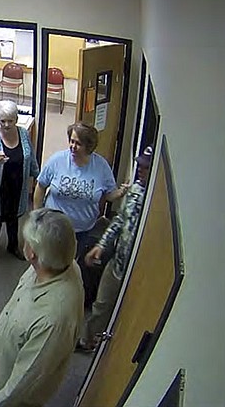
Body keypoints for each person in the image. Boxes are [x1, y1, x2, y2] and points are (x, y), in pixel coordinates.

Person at [0, 208, 84, 407]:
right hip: (7, 361)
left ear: (31, 253)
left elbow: (26, 378)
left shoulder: (53, 319)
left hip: (17, 398)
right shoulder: (59, 264)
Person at [32, 122, 127, 308]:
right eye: (71, 141)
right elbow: (41, 185)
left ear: (89, 146)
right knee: (48, 264)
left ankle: (64, 302)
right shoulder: (58, 160)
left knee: (72, 268)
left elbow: (108, 194)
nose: (72, 147)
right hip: (54, 227)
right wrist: (37, 214)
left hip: (82, 230)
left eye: (78, 143)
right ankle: (43, 299)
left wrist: (120, 193)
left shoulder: (101, 167)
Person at [78, 146, 153, 352]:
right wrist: (102, 245)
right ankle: (87, 341)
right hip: (118, 263)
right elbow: (119, 220)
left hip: (140, 273)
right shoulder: (136, 190)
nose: (140, 170)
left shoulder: (156, 201)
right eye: (139, 165)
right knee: (101, 305)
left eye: (145, 167)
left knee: (130, 315)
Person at [0, 100, 39, 268]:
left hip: (18, 186)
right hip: (0, 188)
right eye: (2, 121)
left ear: (16, 119)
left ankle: (12, 246)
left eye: (10, 120)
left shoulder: (24, 134)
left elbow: (31, 158)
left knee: (14, 219)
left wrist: (38, 177)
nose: (6, 125)